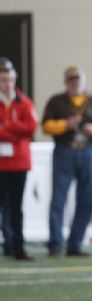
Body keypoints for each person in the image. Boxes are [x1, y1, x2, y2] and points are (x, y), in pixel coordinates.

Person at [43, 65, 92, 257]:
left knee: (87, 199)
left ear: (84, 80)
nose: (75, 82)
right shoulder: (57, 101)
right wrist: (65, 125)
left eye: (78, 78)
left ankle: (75, 243)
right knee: (59, 200)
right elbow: (46, 126)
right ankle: (55, 243)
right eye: (71, 78)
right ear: (66, 81)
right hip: (65, 151)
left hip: (88, 152)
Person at [0, 57, 37, 260]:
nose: (8, 84)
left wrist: (7, 128)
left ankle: (18, 247)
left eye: (11, 79)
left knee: (16, 208)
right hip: (0, 163)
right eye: (4, 79)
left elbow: (31, 128)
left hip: (18, 163)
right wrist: (15, 131)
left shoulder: (24, 102)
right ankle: (7, 243)